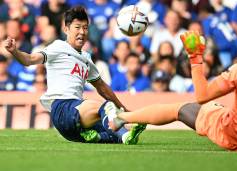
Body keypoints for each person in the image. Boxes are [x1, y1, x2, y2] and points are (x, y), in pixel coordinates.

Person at [107, 27, 237, 152]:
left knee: (180, 109)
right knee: (212, 107)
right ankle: (123, 118)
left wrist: (195, 57)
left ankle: (121, 118)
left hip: (232, 134)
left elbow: (201, 96)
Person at [1, 6, 145, 144]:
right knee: (107, 109)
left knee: (116, 134)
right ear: (66, 29)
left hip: (75, 121)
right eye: (77, 27)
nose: (82, 32)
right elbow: (29, 60)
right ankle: (115, 127)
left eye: (85, 28)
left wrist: (122, 108)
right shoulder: (58, 47)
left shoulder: (87, 59)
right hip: (63, 108)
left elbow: (102, 87)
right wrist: (15, 51)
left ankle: (117, 137)